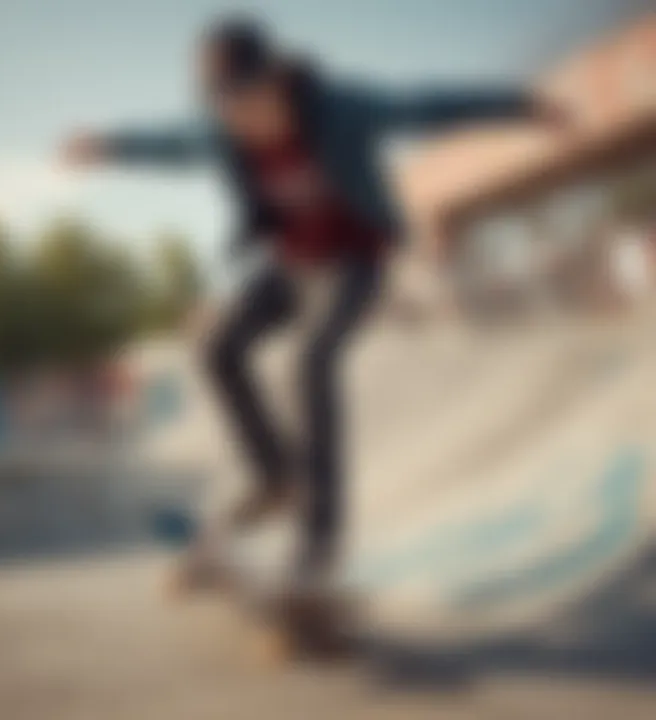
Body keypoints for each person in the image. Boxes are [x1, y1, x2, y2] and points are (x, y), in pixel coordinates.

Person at [62, 16, 573, 588]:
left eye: (252, 102)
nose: (246, 123)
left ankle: (319, 545)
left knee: (312, 359)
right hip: (289, 267)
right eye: (229, 110)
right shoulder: (225, 134)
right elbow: (174, 144)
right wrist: (110, 147)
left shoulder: (342, 108)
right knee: (216, 348)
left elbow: (428, 105)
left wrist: (525, 106)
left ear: (277, 79)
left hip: (355, 263)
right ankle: (273, 476)